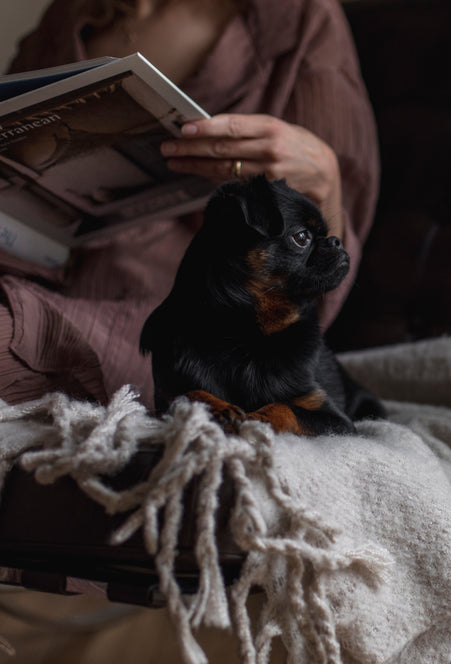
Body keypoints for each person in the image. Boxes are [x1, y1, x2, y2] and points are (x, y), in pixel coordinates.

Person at [0, 0, 379, 410]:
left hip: (158, 318)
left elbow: (325, 272)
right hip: (20, 264)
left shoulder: (299, 18)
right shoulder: (71, 14)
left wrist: (323, 176)